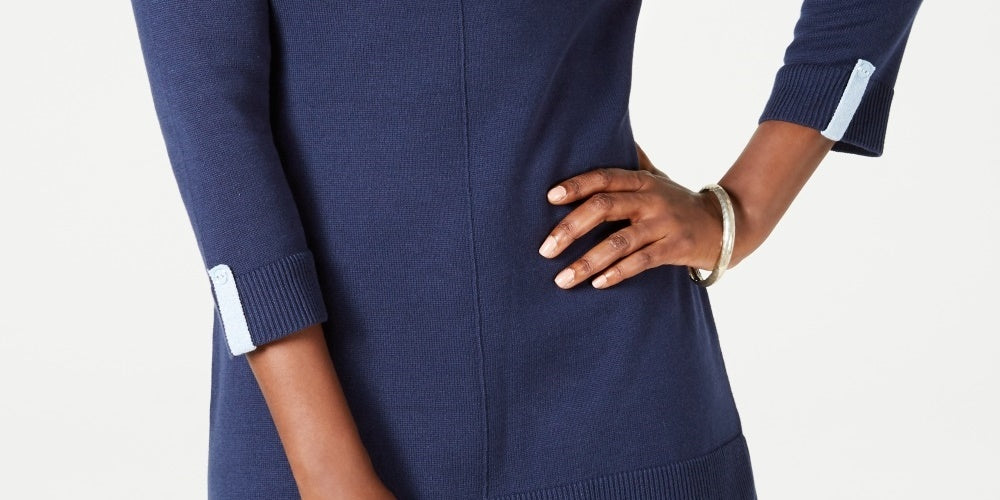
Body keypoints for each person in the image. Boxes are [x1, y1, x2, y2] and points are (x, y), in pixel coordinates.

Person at [128, 1, 924, 498]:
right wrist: (329, 474)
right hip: (313, 422)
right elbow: (215, 125)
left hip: (618, 404)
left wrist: (739, 210)